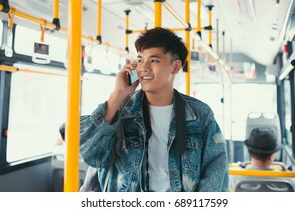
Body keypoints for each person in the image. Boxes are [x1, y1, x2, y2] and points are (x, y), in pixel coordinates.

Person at [79, 27, 229, 192]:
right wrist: (117, 95)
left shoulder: (200, 115)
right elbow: (89, 154)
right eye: (140, 60)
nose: (144, 68)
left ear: (176, 67)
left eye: (154, 60)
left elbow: (216, 170)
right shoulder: (120, 110)